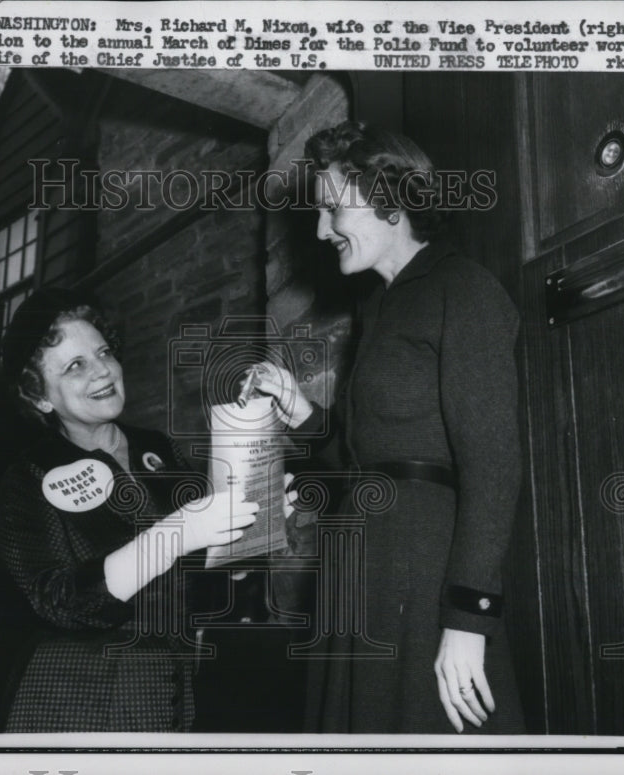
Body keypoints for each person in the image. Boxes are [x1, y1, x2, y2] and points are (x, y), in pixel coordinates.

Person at [251, 121, 525, 733]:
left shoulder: (463, 289)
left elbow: (493, 464)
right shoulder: (381, 307)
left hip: (421, 572)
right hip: (364, 569)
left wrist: (467, 619)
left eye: (331, 209)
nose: (322, 231)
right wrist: (305, 415)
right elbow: (370, 457)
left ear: (389, 198)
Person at [0, 287, 259, 732]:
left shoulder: (158, 449)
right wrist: (175, 534)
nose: (102, 370)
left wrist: (251, 530)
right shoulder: (30, 477)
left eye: (103, 352)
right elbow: (58, 600)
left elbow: (201, 582)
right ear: (40, 397)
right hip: (78, 698)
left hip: (173, 691)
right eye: (75, 366)